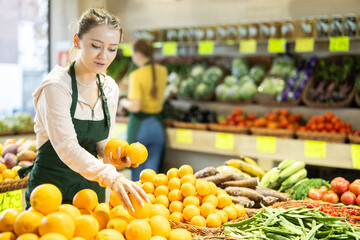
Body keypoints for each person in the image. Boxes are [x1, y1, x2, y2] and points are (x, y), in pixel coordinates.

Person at [18, 8, 147, 212]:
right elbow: (66, 146)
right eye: (96, 46)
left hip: (90, 191)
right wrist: (112, 176)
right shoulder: (56, 87)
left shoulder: (109, 88)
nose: (104, 56)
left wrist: (114, 155)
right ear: (77, 41)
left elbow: (102, 142)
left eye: (112, 49)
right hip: (50, 191)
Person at [118, 38, 167, 181]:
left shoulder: (136, 75)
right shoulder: (162, 71)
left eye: (133, 54)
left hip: (141, 128)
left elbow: (136, 106)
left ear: (139, 54)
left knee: (137, 178)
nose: (132, 57)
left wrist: (123, 102)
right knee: (152, 179)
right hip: (157, 127)